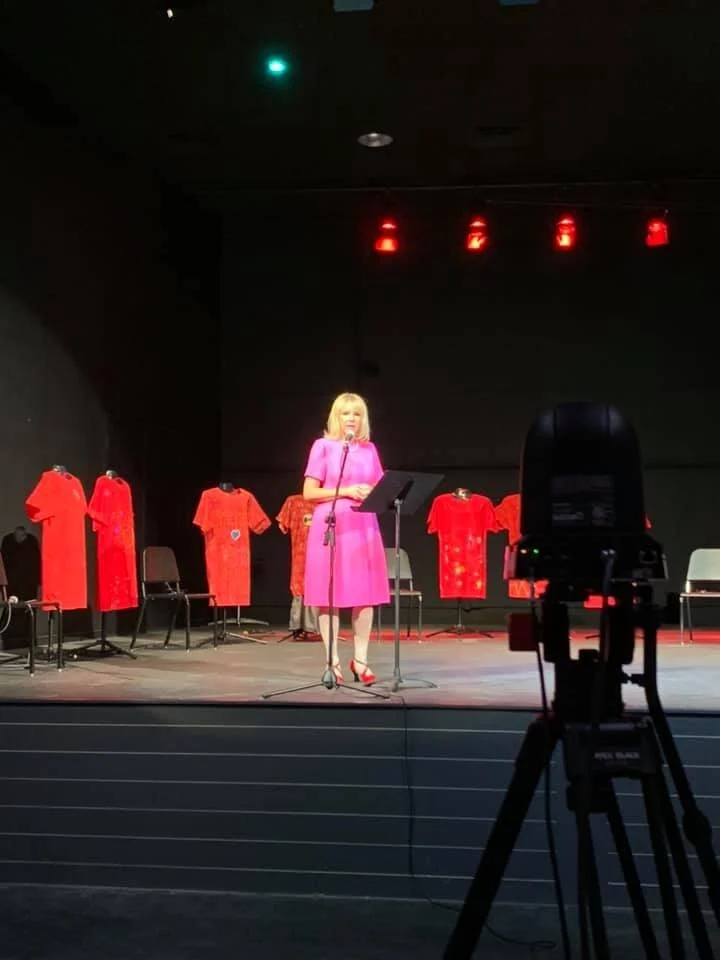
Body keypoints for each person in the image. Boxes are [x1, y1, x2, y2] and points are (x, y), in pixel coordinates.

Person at [302, 392, 389, 684]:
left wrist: (370, 493)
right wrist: (346, 491)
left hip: (364, 526)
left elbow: (382, 489)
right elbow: (309, 493)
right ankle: (332, 662)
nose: (352, 419)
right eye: (346, 413)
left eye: (357, 414)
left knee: (364, 596)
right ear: (335, 417)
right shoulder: (322, 446)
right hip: (331, 525)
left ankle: (361, 661)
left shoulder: (370, 449)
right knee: (329, 596)